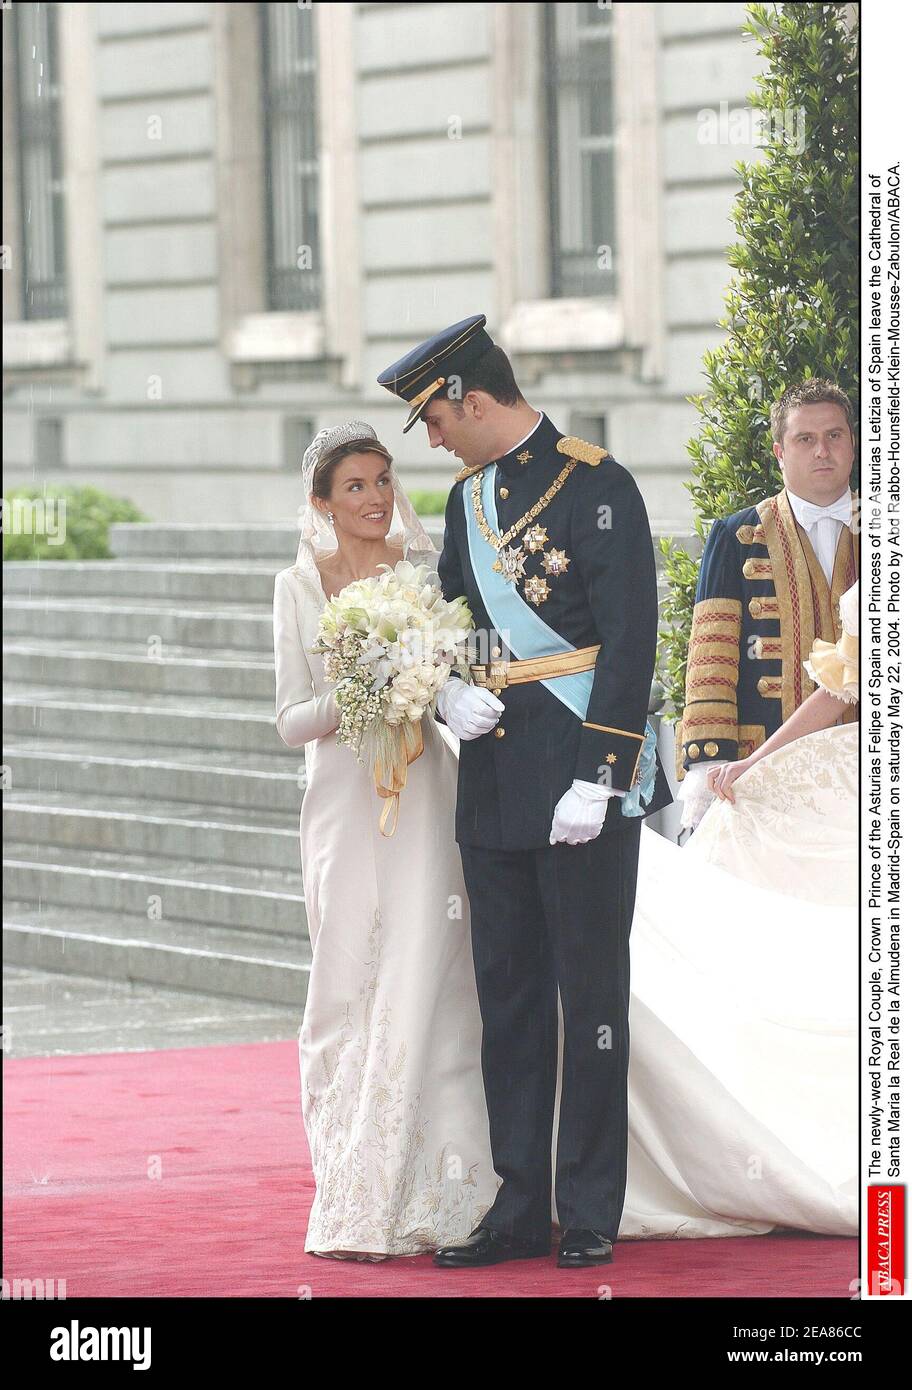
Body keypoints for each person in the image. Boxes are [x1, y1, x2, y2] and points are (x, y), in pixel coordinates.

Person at [377, 314, 674, 1269]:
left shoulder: (597, 484)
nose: (429, 440)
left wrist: (600, 779)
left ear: (471, 397)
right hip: (497, 778)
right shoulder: (468, 502)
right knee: (506, 998)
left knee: (589, 994)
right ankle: (517, 1204)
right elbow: (462, 619)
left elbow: (630, 645)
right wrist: (450, 685)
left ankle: (589, 1206)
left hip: (579, 779)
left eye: (432, 418)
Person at [272, 420, 499, 1259]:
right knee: (347, 975)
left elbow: (469, 663)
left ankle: (449, 1189)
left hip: (427, 798)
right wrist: (363, 688)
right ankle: (353, 1184)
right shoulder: (295, 588)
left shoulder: (422, 576)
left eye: (382, 480)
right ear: (322, 504)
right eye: (355, 487)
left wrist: (429, 679)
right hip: (342, 805)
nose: (374, 499)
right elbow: (291, 719)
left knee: (428, 969)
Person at [676, 378, 859, 833]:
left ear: (853, 443)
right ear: (780, 452)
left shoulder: (890, 527)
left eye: (834, 436)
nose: (822, 451)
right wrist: (708, 763)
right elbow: (711, 660)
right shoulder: (736, 536)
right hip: (762, 775)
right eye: (805, 439)